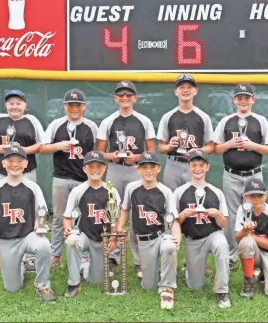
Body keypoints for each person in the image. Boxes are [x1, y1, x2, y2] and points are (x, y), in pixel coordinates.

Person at [0, 89, 45, 271]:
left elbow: (42, 144)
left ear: (25, 105)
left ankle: (31, 255)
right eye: (11, 103)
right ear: (6, 105)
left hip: (27, 171)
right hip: (1, 172)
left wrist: (19, 152)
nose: (14, 106)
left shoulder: (32, 121)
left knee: (30, 210)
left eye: (18, 103)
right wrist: (1, 149)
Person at [97, 81, 156, 278]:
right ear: (115, 98)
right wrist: (110, 155)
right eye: (120, 94)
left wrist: (138, 158)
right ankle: (113, 257)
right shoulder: (108, 121)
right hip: (114, 169)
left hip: (136, 170)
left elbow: (151, 152)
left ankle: (139, 261)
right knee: (113, 213)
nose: (124, 98)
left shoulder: (143, 121)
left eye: (128, 94)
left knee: (137, 215)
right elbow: (99, 153)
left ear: (135, 98)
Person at [214, 82, 268, 270]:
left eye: (246, 97)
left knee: (254, 212)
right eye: (240, 97)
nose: (243, 101)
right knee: (232, 215)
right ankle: (232, 255)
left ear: (252, 100)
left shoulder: (260, 121)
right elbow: (216, 149)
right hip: (231, 174)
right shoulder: (227, 121)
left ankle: (253, 253)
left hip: (253, 175)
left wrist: (252, 146)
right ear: (234, 100)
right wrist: (231, 143)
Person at [0, 143, 56, 301]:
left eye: (19, 160)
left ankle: (43, 285)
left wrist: (40, 224)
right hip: (5, 241)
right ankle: (21, 263)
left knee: (43, 245)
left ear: (26, 163)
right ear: (3, 163)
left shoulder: (33, 187)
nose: (15, 164)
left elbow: (41, 213)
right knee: (13, 288)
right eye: (10, 160)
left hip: (27, 236)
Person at [40, 89, 98, 268]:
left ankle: (84, 254)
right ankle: (56, 255)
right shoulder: (57, 124)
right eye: (71, 105)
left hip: (84, 179)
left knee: (85, 217)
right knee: (58, 217)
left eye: (78, 105)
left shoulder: (91, 126)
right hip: (62, 177)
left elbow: (97, 152)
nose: (74, 108)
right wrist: (58, 146)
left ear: (84, 106)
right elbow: (42, 148)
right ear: (65, 106)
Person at [117, 152, 181, 310]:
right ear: (138, 169)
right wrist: (120, 226)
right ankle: (159, 271)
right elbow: (125, 209)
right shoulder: (132, 188)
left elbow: (173, 218)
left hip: (162, 234)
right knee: (148, 286)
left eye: (152, 167)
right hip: (144, 240)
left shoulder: (165, 191)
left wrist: (177, 236)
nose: (148, 170)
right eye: (144, 167)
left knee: (170, 247)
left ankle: (167, 288)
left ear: (158, 168)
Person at [173, 150, 231, 309]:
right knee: (195, 285)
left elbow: (223, 223)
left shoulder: (216, 192)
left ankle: (222, 291)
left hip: (212, 234)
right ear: (189, 167)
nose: (197, 168)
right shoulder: (180, 192)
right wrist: (183, 215)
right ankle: (188, 270)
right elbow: (175, 221)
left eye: (201, 165)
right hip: (193, 239)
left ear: (208, 167)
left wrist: (218, 215)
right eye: (194, 165)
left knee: (222, 245)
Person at [62, 151, 120, 298]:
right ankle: (73, 283)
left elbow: (116, 218)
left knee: (96, 280)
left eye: (99, 166)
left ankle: (85, 264)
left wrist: (113, 238)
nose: (95, 169)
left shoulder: (111, 190)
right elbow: (67, 216)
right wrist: (67, 228)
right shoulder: (77, 191)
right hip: (84, 235)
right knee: (72, 241)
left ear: (104, 168)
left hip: (103, 239)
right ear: (84, 169)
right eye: (91, 166)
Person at [157, 74, 214, 192]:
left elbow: (211, 146)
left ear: (195, 91)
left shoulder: (203, 117)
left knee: (194, 199)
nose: (186, 90)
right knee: (171, 202)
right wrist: (169, 146)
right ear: (176, 92)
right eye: (182, 87)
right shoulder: (168, 117)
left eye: (189, 87)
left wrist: (199, 151)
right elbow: (161, 148)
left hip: (195, 164)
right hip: (173, 163)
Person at [235, 177, 268, 299]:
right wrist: (244, 231)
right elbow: (237, 238)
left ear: (266, 195)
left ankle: (265, 273)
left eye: (260, 195)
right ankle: (248, 281)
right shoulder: (242, 211)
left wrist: (250, 235)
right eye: (252, 196)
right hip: (253, 252)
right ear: (244, 196)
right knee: (245, 242)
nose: (256, 199)